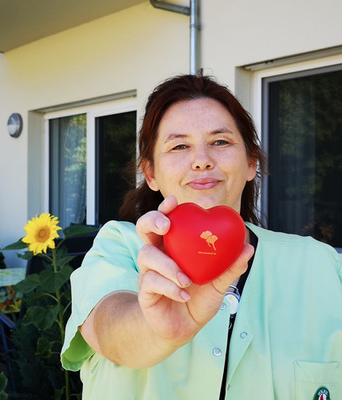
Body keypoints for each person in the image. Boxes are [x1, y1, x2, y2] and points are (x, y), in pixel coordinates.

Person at [61, 74, 342, 399]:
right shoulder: (119, 247)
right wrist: (156, 330)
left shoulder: (320, 264)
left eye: (220, 142)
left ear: (251, 162)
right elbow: (106, 330)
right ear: (150, 173)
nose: (202, 160)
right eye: (179, 146)